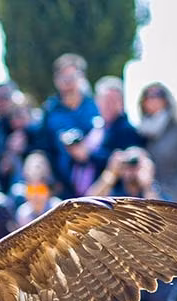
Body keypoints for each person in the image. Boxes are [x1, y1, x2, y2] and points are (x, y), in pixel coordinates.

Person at [39, 53, 99, 197]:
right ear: (55, 80)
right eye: (63, 77)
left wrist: (86, 153)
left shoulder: (95, 107)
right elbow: (44, 146)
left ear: (82, 77)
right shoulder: (50, 110)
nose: (67, 83)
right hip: (61, 187)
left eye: (72, 77)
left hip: (96, 184)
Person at [136, 82, 177, 203]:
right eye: (148, 96)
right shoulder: (140, 132)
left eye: (157, 95)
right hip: (145, 197)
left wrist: (175, 189)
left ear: (166, 100)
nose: (152, 99)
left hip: (174, 199)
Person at [86, 146, 162, 200]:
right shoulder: (115, 192)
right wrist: (110, 173)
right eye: (126, 166)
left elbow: (161, 217)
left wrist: (147, 185)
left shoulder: (155, 191)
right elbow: (87, 204)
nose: (130, 170)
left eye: (135, 165)